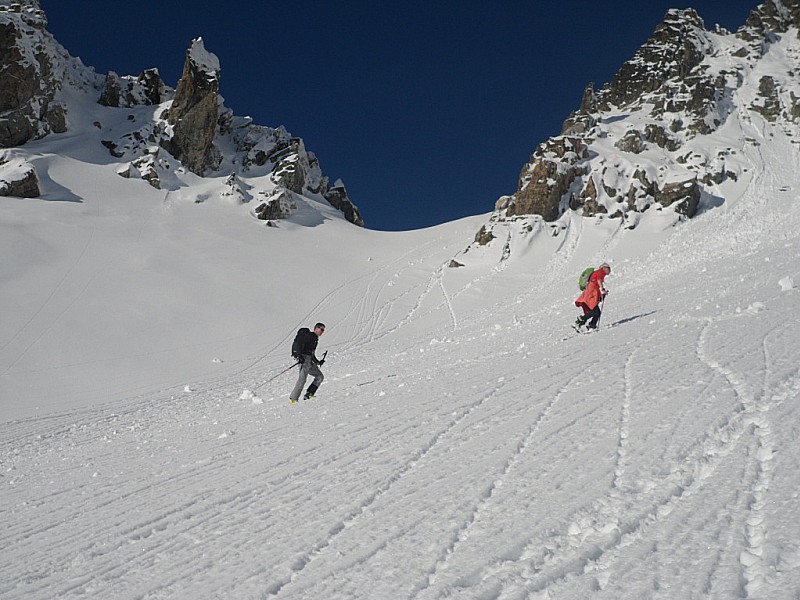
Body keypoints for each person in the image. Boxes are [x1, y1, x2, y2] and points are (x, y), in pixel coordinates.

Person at [289, 322, 326, 403]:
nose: (322, 331)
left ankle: (309, 394)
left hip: (309, 360)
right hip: (304, 359)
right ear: (316, 328)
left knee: (319, 376)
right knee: (302, 379)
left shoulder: (315, 339)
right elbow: (299, 343)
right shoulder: (310, 336)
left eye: (323, 330)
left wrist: (318, 362)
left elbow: (311, 353)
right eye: (321, 329)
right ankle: (293, 399)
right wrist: (299, 356)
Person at [574, 263, 611, 331]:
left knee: (597, 312)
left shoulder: (598, 273)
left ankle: (591, 325)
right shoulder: (600, 272)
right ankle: (581, 321)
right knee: (595, 311)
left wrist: (601, 293)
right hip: (590, 294)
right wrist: (602, 289)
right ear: (604, 268)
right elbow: (598, 280)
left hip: (590, 293)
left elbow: (596, 284)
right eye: (608, 269)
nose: (609, 271)